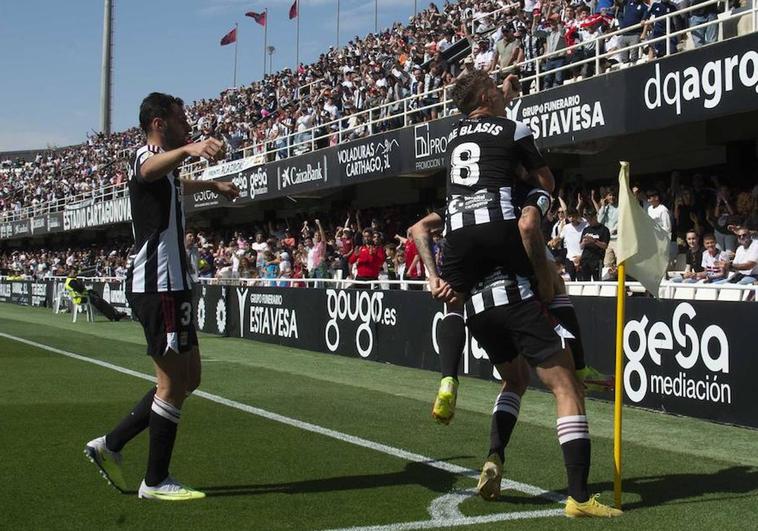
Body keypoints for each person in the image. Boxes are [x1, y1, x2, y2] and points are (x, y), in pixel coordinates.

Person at [412, 70, 620, 518]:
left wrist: (435, 275)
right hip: (507, 265)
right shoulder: (515, 135)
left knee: (512, 376)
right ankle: (580, 497)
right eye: (500, 91)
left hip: (470, 272)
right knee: (564, 375)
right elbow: (535, 204)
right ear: (488, 95)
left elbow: (421, 226)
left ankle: (484, 438)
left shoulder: (453, 139)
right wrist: (538, 193)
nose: (508, 97)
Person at [84, 92, 239, 501]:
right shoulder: (145, 154)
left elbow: (172, 179)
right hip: (158, 284)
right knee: (171, 383)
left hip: (174, 284)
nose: (187, 123)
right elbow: (150, 170)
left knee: (190, 378)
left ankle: (111, 443)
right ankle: (154, 481)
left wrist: (212, 184)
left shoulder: (167, 168)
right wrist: (190, 148)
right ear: (158, 122)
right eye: (180, 118)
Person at [578, 208, 610, 281]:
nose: (589, 221)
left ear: (595, 217)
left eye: (590, 219)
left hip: (597, 260)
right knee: (585, 282)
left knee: (597, 281)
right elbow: (580, 246)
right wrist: (584, 242)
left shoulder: (604, 229)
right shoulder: (586, 229)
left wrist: (594, 241)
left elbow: (605, 246)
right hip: (585, 260)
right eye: (588, 220)